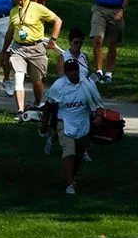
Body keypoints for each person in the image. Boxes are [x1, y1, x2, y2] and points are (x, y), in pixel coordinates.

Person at [2, 0, 63, 121]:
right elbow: (10, 33)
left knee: (37, 81)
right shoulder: (13, 11)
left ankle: (37, 103)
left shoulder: (37, 8)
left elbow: (57, 20)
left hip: (36, 48)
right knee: (18, 77)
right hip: (18, 48)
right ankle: (20, 111)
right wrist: (5, 50)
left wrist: (53, 39)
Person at [41, 57, 102, 195]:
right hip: (65, 122)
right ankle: (70, 184)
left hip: (83, 123)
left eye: (76, 70)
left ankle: (69, 175)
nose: (75, 73)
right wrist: (44, 125)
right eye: (71, 71)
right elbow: (48, 106)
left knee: (79, 155)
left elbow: (97, 103)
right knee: (69, 152)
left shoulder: (86, 84)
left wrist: (98, 116)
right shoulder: (59, 86)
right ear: (66, 72)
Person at [85, 0, 132, 85]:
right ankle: (98, 71)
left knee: (112, 43)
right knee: (97, 39)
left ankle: (109, 73)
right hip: (99, 8)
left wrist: (122, 9)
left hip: (115, 10)